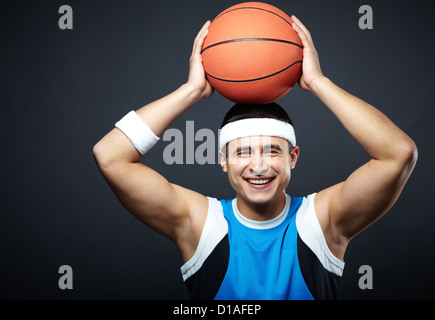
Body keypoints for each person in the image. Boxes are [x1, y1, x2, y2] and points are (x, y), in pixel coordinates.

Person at [93, 16, 417, 299]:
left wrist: (319, 83)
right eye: (243, 151)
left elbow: (397, 155)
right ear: (223, 159)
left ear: (293, 157)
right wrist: (190, 90)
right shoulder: (200, 223)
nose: (259, 166)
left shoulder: (322, 221)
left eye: (272, 151)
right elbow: (109, 155)